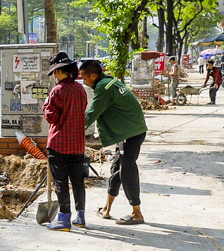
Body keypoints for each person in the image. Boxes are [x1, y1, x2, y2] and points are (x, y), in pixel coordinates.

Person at [80, 59, 148, 225]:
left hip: (130, 133)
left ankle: (136, 213)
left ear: (94, 76)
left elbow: (92, 114)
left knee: (127, 170)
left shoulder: (103, 87)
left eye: (85, 78)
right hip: (128, 131)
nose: (84, 82)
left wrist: (72, 130)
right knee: (116, 168)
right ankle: (106, 209)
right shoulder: (109, 81)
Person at [42, 52, 88, 231]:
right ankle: (81, 216)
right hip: (77, 144)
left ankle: (64, 219)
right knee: (78, 181)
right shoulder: (80, 89)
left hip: (59, 145)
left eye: (55, 72)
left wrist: (46, 106)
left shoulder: (58, 91)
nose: (55, 76)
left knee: (60, 182)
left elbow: (52, 118)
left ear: (59, 71)